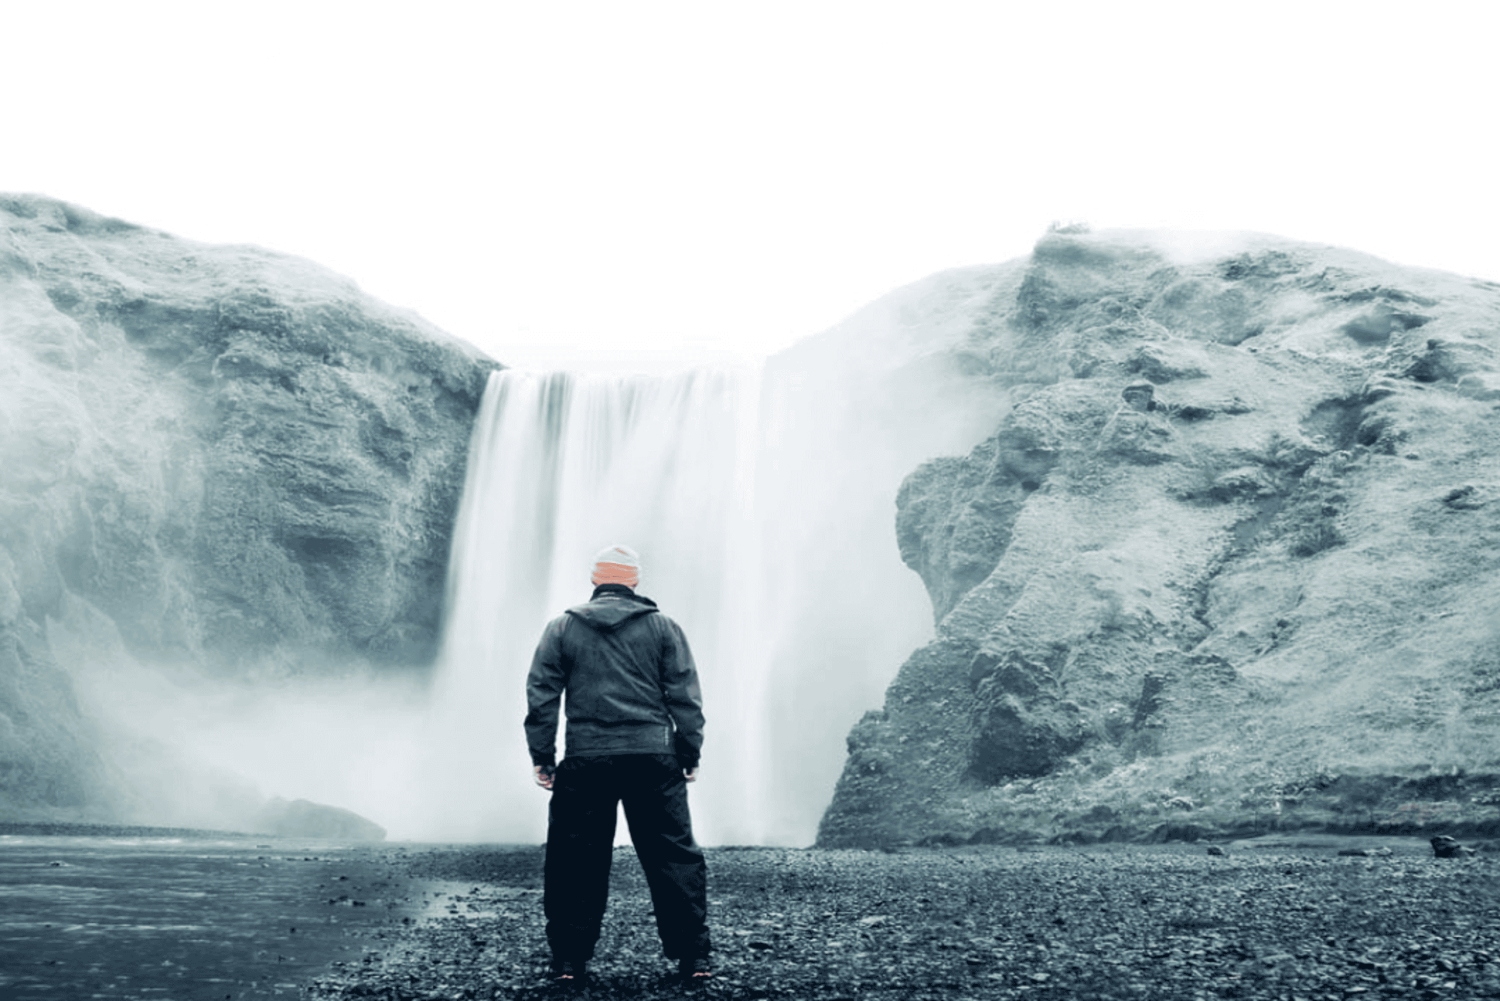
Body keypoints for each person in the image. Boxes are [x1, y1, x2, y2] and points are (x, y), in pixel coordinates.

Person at [524, 544, 712, 987]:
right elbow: (684, 698)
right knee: (673, 857)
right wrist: (689, 752)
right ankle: (693, 957)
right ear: (634, 582)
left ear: (595, 581)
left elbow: (542, 696)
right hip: (653, 757)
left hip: (587, 759)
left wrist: (542, 757)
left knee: (575, 860)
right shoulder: (665, 629)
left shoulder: (561, 629)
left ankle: (570, 960)